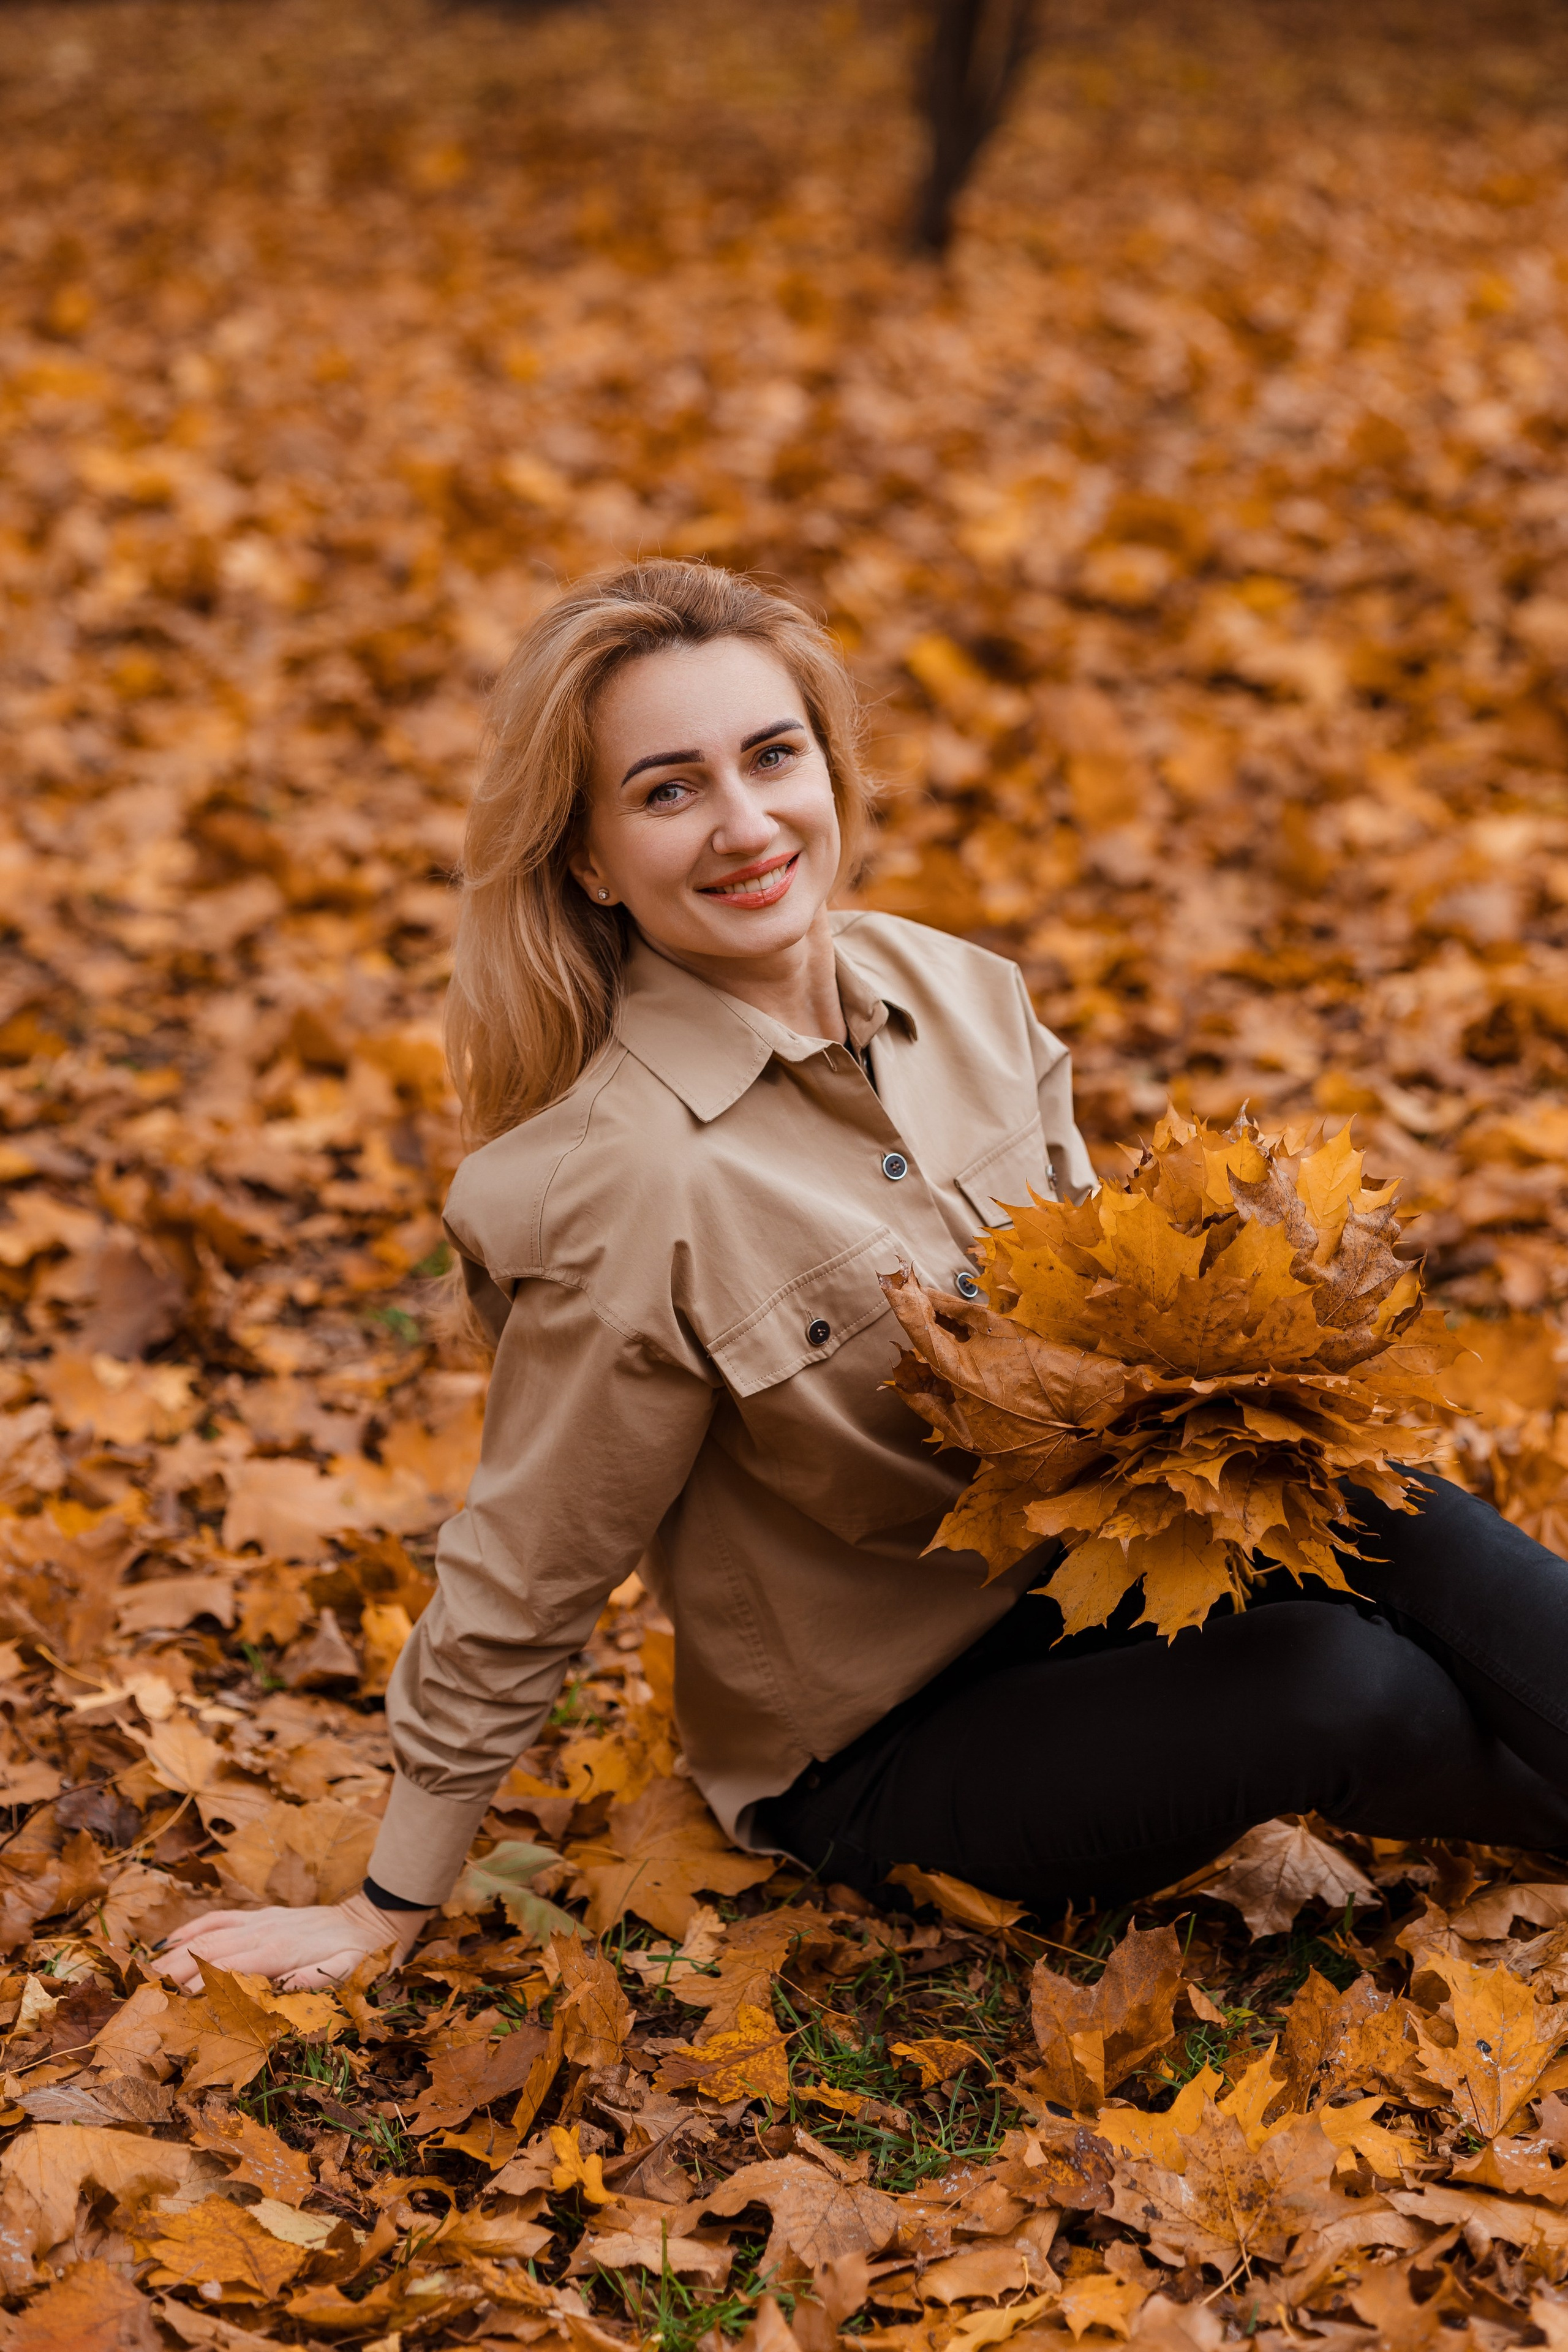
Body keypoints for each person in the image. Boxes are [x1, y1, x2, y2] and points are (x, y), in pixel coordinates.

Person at [162, 561, 1568, 1992]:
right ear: (587, 857)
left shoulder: (958, 992)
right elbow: (529, 1564)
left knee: (1381, 1505)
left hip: (1091, 1566)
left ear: (828, 767)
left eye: (771, 757)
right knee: (1341, 1678)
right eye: (666, 790)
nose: (745, 823)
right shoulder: (629, 1187)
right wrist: (385, 1906)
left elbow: (1104, 1321)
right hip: (886, 1737)